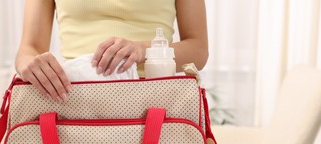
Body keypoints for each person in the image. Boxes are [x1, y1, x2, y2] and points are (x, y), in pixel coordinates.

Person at [15, 0, 208, 102]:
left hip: (151, 101)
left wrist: (144, 50)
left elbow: (198, 49)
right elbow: (29, 48)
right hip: (73, 99)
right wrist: (28, 64)